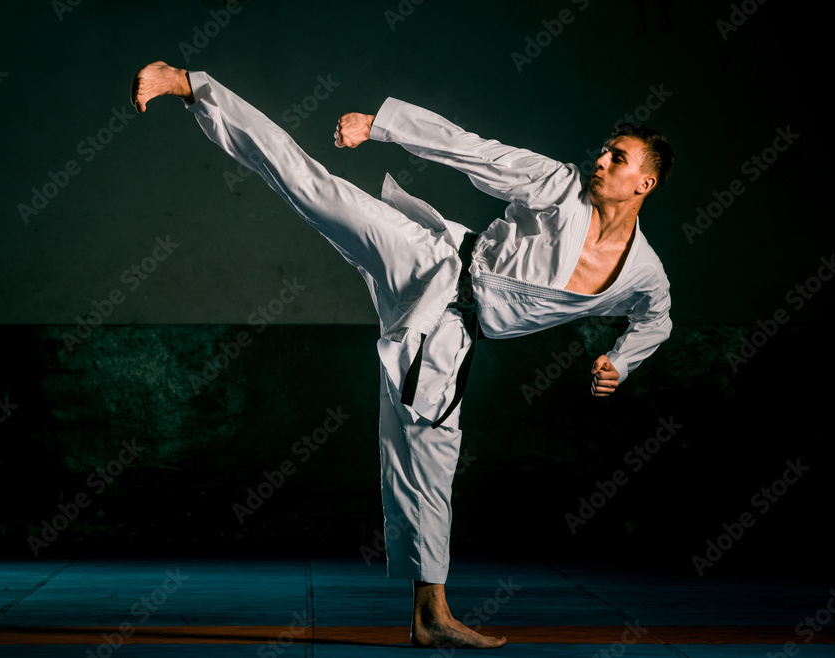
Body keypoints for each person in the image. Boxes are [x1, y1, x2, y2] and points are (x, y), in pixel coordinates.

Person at [131, 62, 674, 649]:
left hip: (451, 335)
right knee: (312, 186)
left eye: (618, 158)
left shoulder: (642, 273)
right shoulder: (560, 186)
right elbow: (473, 151)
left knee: (428, 462)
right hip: (430, 261)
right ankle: (192, 85)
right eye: (604, 150)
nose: (600, 160)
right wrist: (381, 127)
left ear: (645, 182)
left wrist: (622, 361)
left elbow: (658, 317)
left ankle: (429, 615)